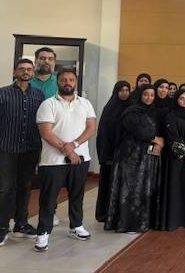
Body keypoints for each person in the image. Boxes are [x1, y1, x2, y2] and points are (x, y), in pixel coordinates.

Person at [34, 69, 96, 252]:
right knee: (48, 198)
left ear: (76, 82)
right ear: (57, 82)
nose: (67, 82)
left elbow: (91, 128)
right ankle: (43, 233)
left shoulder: (85, 103)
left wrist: (74, 145)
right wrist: (67, 151)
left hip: (80, 158)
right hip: (53, 161)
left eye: (71, 79)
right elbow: (46, 133)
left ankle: (76, 226)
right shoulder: (48, 104)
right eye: (63, 80)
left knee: (77, 195)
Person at [0, 59, 44, 247]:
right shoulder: (1, 93)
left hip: (30, 150)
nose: (25, 72)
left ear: (33, 73)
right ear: (15, 72)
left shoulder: (39, 95)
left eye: (29, 69)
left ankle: (21, 223)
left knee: (25, 186)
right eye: (22, 69)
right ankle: (2, 227)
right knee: (5, 189)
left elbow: (42, 123)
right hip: (6, 149)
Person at [104, 84, 163, 233]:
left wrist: (159, 142)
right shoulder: (131, 112)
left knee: (144, 189)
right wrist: (156, 139)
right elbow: (139, 131)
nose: (149, 98)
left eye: (152, 95)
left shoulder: (154, 112)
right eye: (146, 94)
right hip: (131, 156)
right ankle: (128, 223)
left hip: (147, 157)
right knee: (130, 189)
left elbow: (160, 131)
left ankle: (143, 222)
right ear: (140, 95)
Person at [157, 89, 185, 231]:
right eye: (181, 98)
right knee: (177, 189)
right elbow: (172, 138)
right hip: (176, 159)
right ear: (176, 99)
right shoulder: (171, 116)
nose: (184, 101)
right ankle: (176, 220)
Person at [95, 81, 131, 222]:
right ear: (116, 92)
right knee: (107, 185)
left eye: (127, 90)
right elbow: (102, 133)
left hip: (126, 154)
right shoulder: (110, 108)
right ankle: (104, 214)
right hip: (110, 154)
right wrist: (104, 155)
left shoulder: (131, 108)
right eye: (121, 90)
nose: (124, 93)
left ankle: (119, 215)